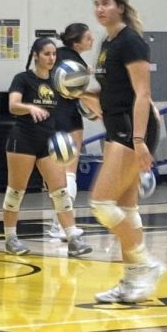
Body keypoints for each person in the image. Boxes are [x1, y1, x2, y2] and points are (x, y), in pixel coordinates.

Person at [88, 0, 165, 304]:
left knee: (102, 206)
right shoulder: (108, 43)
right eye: (96, 4)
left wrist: (138, 140)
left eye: (106, 3)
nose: (100, 9)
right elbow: (111, 93)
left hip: (132, 130)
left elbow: (143, 94)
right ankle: (132, 281)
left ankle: (146, 264)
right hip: (117, 126)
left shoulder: (131, 42)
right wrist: (80, 92)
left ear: (120, 6)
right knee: (126, 209)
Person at [1, 37, 94, 258]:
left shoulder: (57, 81)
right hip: (22, 140)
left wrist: (92, 103)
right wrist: (30, 108)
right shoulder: (23, 79)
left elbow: (78, 96)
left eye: (54, 54)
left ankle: (73, 239)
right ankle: (10, 238)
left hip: (48, 142)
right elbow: (13, 106)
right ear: (36, 55)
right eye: (47, 54)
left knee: (60, 191)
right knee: (16, 191)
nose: (51, 58)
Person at [44, 22, 98, 239]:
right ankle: (62, 225)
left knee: (57, 174)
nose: (92, 40)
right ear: (77, 42)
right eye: (88, 38)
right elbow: (77, 94)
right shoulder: (74, 63)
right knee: (68, 173)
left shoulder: (57, 56)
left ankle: (57, 223)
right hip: (68, 119)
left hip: (51, 117)